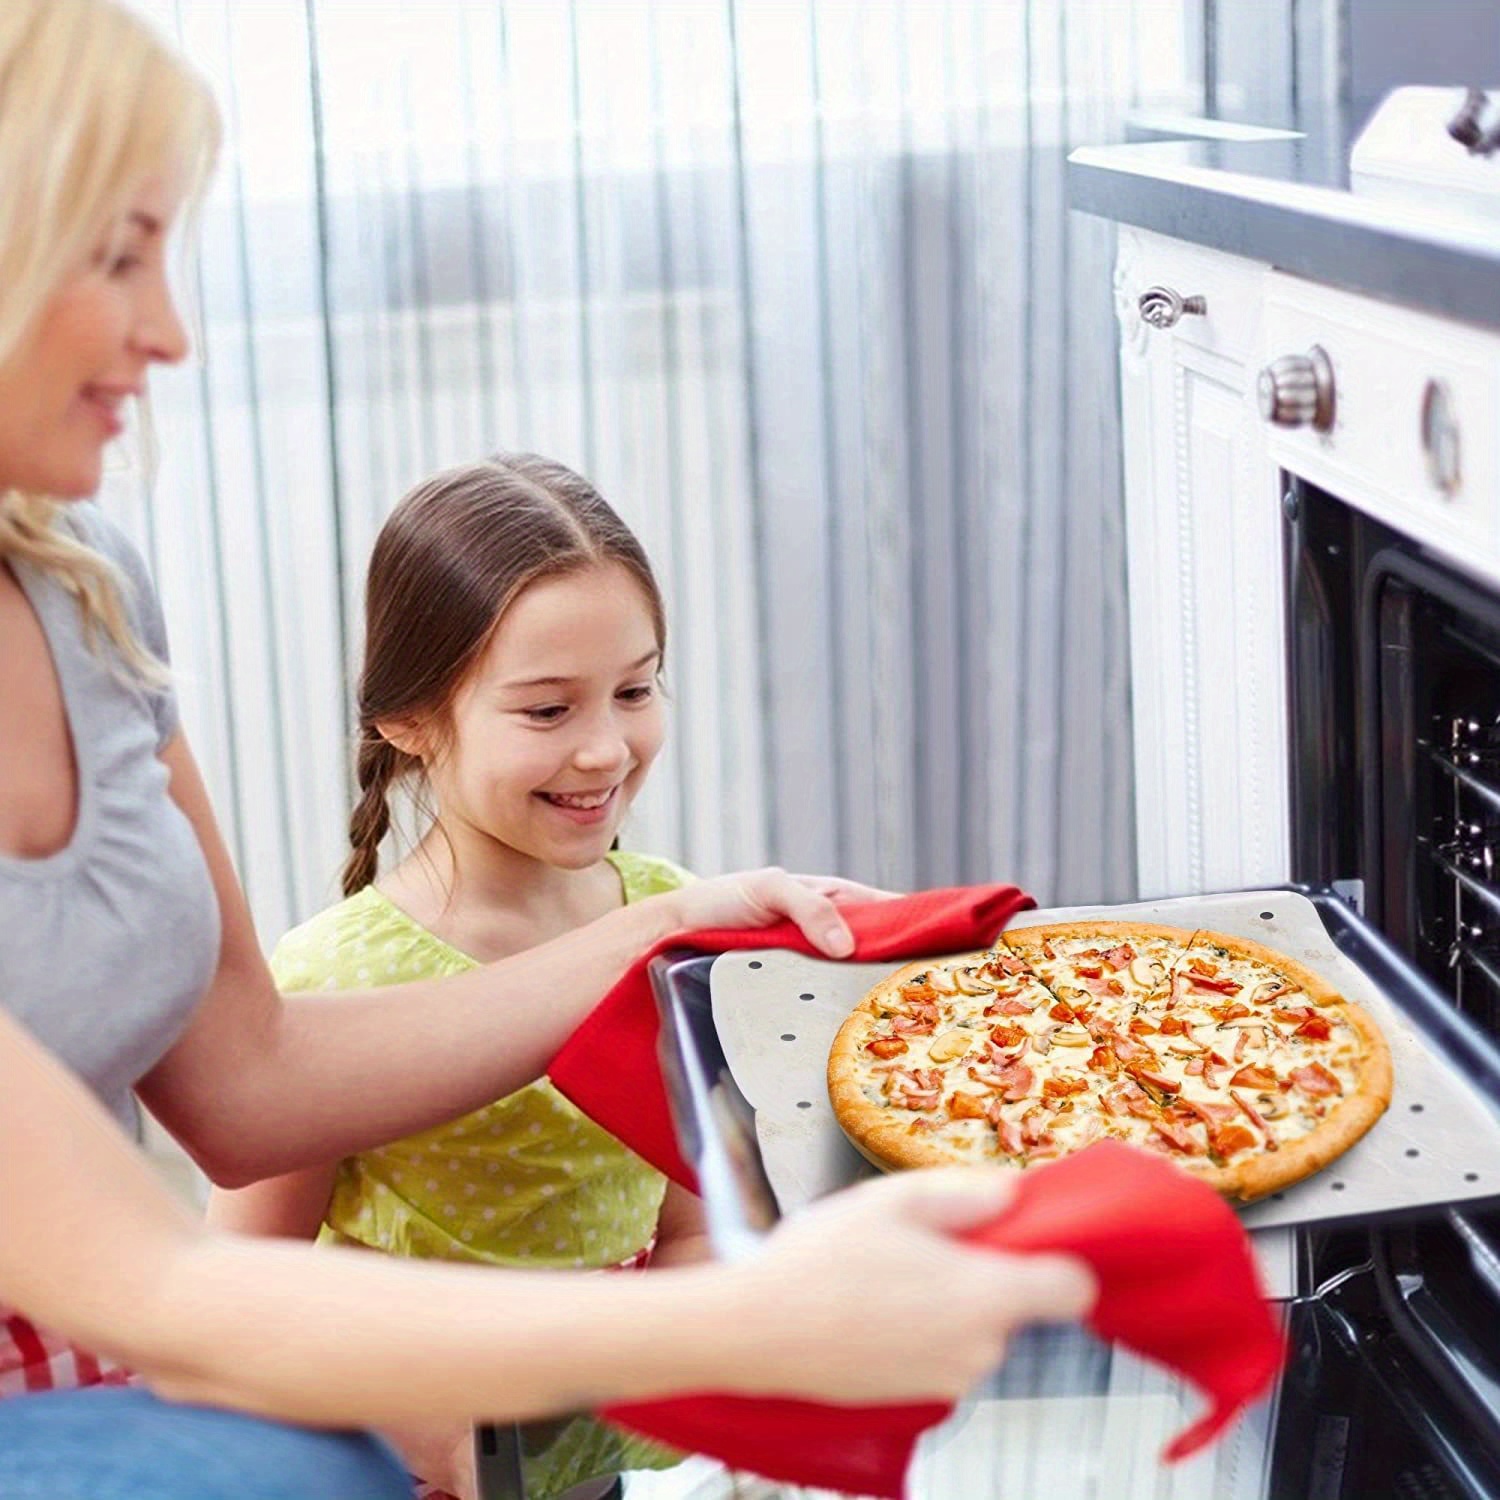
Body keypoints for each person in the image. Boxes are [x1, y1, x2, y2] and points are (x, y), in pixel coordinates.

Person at [0, 2, 1097, 1497]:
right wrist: (746, 1323)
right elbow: (172, 1290)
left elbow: (245, 1083)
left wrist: (671, 925)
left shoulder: (86, 594)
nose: (172, 330)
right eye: (116, 252)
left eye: (636, 690)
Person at [212, 454, 714, 1500]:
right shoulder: (323, 987)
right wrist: (439, 1432)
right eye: (546, 712)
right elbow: (234, 1300)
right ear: (406, 720)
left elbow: (689, 1226)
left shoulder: (674, 922)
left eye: (635, 689)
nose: (606, 749)